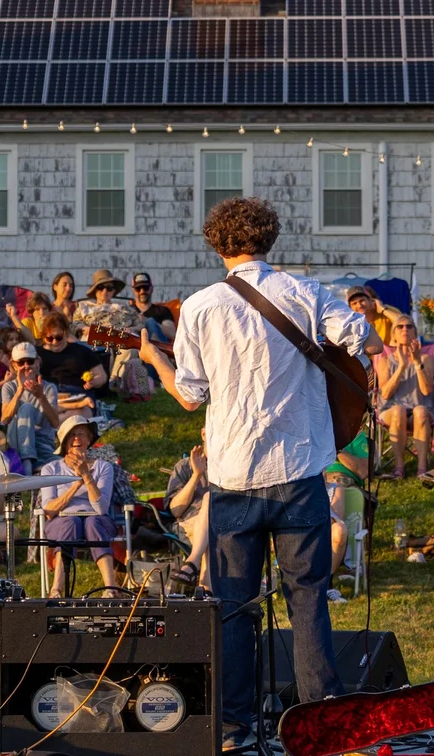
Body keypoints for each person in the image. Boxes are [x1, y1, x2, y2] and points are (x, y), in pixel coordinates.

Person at [137, 196, 376, 752]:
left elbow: (190, 397)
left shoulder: (200, 306)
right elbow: (364, 338)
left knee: (233, 608)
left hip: (234, 475)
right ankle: (322, 722)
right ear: (269, 238)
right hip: (299, 470)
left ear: (216, 245)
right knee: (308, 600)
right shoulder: (305, 292)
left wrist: (155, 360)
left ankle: (233, 728)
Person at [37, 417, 119, 596]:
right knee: (70, 522)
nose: (77, 438)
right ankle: (56, 590)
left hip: (97, 519)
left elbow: (101, 509)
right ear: (65, 442)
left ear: (89, 440)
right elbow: (49, 511)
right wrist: (76, 484)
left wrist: (87, 476)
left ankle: (111, 589)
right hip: (62, 521)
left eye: (82, 434)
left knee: (93, 522)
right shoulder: (51, 469)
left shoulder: (104, 467)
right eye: (72, 434)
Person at [375, 314, 434, 478]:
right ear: (393, 334)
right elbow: (385, 393)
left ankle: (422, 468)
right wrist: (402, 366)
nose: (405, 330)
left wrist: (416, 362)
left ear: (415, 333)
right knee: (398, 410)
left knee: (420, 411)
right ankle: (399, 467)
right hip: (391, 411)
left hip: (420, 409)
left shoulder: (426, 359)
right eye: (400, 327)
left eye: (409, 326)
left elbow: (426, 390)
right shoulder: (385, 361)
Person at [324, 427, 370, 603]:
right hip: (312, 481)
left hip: (341, 481)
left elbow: (363, 471)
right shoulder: (311, 427)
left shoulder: (355, 435)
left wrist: (336, 450)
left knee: (339, 485)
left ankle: (326, 583)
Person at [0, 342, 61, 473]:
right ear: (14, 365)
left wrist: (41, 397)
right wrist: (19, 390)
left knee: (64, 467)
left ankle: (31, 466)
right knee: (27, 408)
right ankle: (28, 465)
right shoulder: (9, 387)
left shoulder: (49, 387)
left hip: (41, 442)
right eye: (21, 362)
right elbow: (4, 420)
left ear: (37, 362)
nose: (26, 366)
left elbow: (55, 422)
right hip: (17, 442)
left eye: (30, 361)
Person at [165, 433, 211, 591]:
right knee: (209, 500)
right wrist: (196, 475)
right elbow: (175, 510)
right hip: (190, 523)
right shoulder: (184, 466)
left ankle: (192, 564)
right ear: (203, 433)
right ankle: (208, 594)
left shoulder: (232, 465)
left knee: (214, 528)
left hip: (225, 521)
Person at [37, 311, 108, 407]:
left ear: (66, 334)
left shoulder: (81, 351)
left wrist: (93, 382)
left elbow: (102, 376)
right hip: (49, 394)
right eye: (50, 338)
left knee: (78, 411)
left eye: (59, 337)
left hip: (77, 393)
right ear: (43, 337)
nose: (54, 342)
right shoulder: (36, 354)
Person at [130, 272, 178, 342]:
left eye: (146, 288)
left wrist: (145, 320)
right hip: (134, 345)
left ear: (151, 289)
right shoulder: (128, 311)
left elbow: (172, 334)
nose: (142, 291)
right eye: (138, 288)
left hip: (158, 345)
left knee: (150, 321)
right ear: (133, 291)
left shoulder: (162, 310)